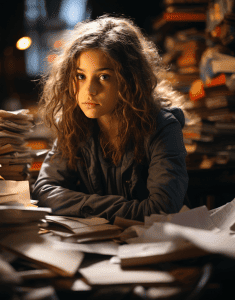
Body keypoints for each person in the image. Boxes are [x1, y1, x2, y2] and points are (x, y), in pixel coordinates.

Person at [32, 14, 189, 223]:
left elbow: (161, 209)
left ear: (129, 80)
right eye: (81, 76)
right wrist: (118, 209)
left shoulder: (163, 127)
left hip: (152, 246)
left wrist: (81, 205)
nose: (89, 90)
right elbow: (44, 191)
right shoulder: (74, 124)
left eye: (103, 77)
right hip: (99, 243)